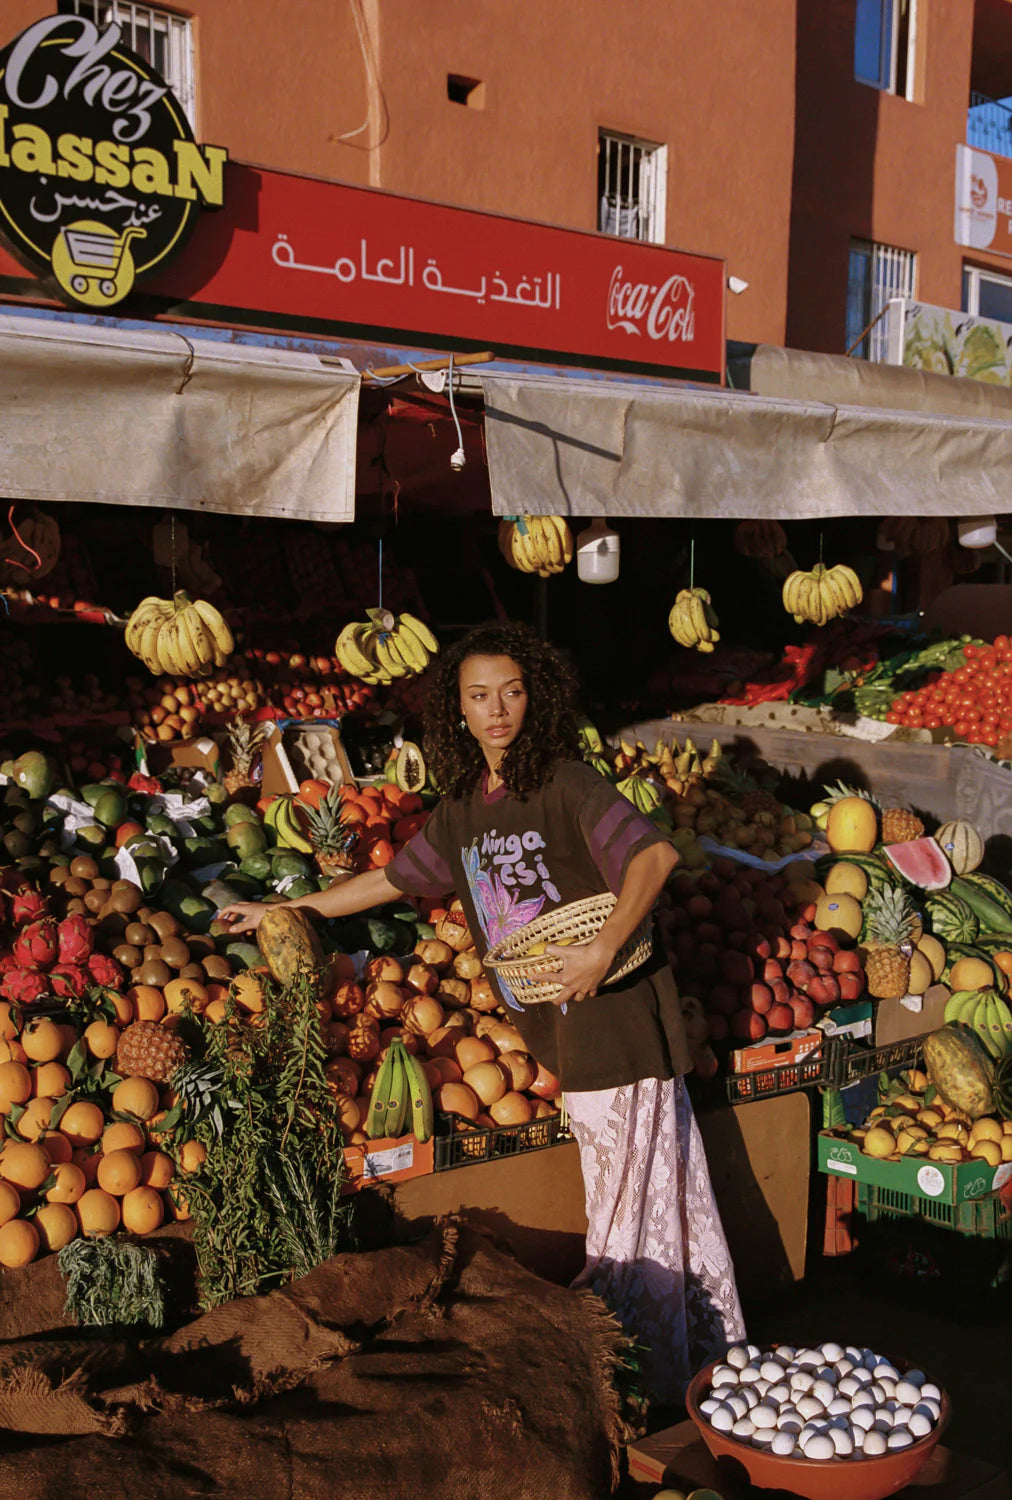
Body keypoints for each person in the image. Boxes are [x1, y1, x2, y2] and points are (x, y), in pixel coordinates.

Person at [220, 621, 744, 1401]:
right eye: (478, 696)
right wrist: (286, 908)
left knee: (629, 1213)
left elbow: (655, 856)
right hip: (565, 1028)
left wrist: (602, 949)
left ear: (538, 698)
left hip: (614, 1023)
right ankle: (696, 1367)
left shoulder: (567, 782)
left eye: (511, 692)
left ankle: (631, 1379)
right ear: (457, 712)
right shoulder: (466, 805)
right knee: (650, 1197)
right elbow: (394, 879)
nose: (496, 710)